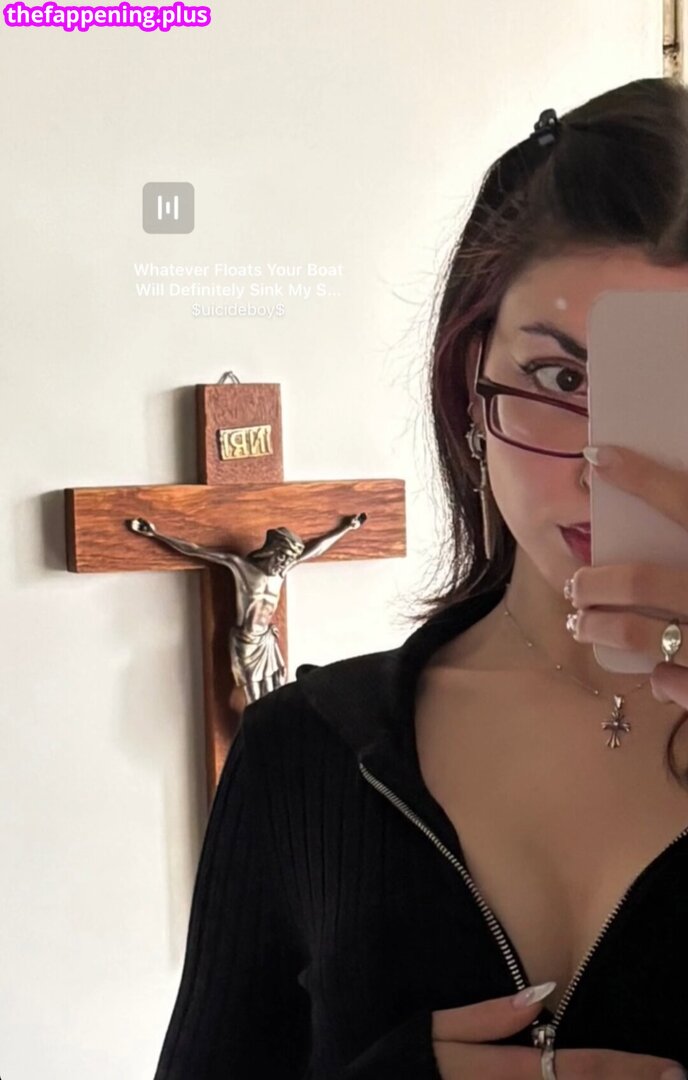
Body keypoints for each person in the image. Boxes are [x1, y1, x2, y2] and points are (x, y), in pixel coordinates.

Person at [151, 78, 688, 1079]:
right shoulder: (302, 757)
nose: (604, 464)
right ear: (469, 387)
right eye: (562, 380)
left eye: (670, 394)